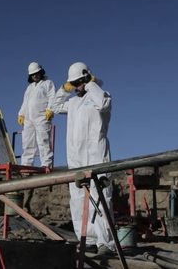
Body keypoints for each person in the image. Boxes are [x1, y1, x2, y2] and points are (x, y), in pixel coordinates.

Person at [52, 62, 115, 255]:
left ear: (87, 79)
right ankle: (85, 238)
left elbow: (103, 104)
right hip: (75, 157)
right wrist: (64, 89)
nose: (76, 87)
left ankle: (105, 243)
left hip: (96, 154)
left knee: (101, 197)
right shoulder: (72, 103)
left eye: (78, 83)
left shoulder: (101, 97)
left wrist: (90, 84)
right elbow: (53, 106)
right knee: (78, 198)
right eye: (74, 84)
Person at [17, 62, 56, 168]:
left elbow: (52, 97)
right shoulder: (29, 88)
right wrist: (21, 114)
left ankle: (46, 164)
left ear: (40, 72)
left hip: (42, 117)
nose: (34, 76)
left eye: (36, 73)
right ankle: (26, 164)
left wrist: (50, 109)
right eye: (32, 74)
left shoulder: (48, 83)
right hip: (29, 118)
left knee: (43, 141)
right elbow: (25, 103)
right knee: (27, 142)